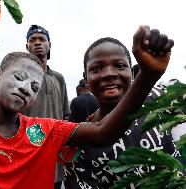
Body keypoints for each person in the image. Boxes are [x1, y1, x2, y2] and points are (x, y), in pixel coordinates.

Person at [0, 0, 174, 188]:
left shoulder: (44, 131)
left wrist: (147, 77)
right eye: (20, 78)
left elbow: (103, 131)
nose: (25, 88)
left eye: (34, 87)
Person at [64, 37, 179, 188]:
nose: (109, 74)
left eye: (119, 66)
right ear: (86, 77)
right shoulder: (82, 144)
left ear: (131, 72)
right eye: (96, 69)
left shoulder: (161, 97)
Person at [23, 24, 70, 188]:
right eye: (32, 40)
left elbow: (65, 116)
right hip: (26, 158)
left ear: (49, 45)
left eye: (42, 39)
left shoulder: (59, 78)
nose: (37, 42)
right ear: (26, 46)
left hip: (54, 160)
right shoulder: (20, 77)